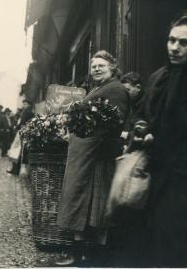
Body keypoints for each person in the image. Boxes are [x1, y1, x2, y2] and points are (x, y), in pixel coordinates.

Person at [56, 50, 130, 266]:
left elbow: (114, 122)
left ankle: (91, 254)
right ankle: (81, 252)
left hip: (97, 154)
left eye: (101, 66)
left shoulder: (116, 89)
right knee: (83, 201)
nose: (96, 69)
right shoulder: (98, 88)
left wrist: (91, 135)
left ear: (112, 68)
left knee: (95, 203)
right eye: (94, 66)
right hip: (86, 154)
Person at [134, 11, 187, 267]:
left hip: (182, 178)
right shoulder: (158, 77)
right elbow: (142, 114)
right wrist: (141, 127)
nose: (175, 48)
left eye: (184, 43)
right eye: (171, 40)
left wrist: (158, 137)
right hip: (152, 174)